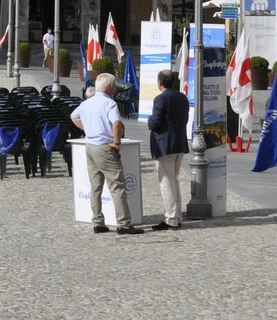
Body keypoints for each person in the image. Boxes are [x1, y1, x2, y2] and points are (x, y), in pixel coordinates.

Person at [69, 72, 142, 235]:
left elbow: (73, 116)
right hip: (104, 147)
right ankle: (123, 223)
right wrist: (116, 143)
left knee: (95, 187)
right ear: (109, 88)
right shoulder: (109, 103)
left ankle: (97, 221)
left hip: (90, 146)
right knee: (117, 186)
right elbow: (117, 123)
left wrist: (87, 129)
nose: (115, 89)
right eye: (114, 86)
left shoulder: (87, 103)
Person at [146, 69, 190, 232]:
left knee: (166, 183)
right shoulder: (182, 97)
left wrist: (149, 121)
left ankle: (171, 218)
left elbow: (155, 122)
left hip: (164, 145)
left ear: (160, 83)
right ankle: (177, 216)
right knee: (174, 181)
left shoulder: (161, 98)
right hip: (179, 143)